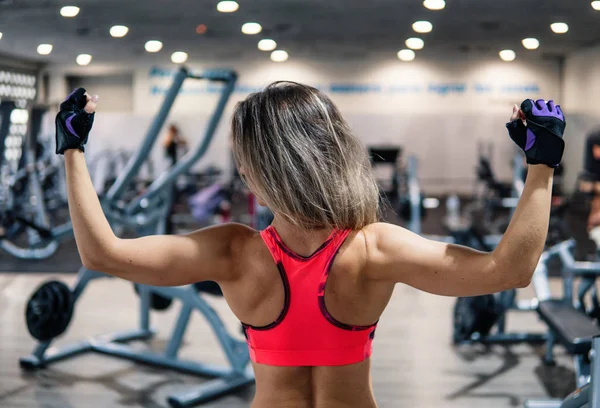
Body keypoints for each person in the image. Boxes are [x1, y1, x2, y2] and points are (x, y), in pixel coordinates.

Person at [55, 86, 565, 408]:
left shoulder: (234, 253)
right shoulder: (374, 249)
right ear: (334, 152)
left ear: (256, 169)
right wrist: (541, 166)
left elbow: (102, 254)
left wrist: (73, 151)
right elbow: (509, 270)